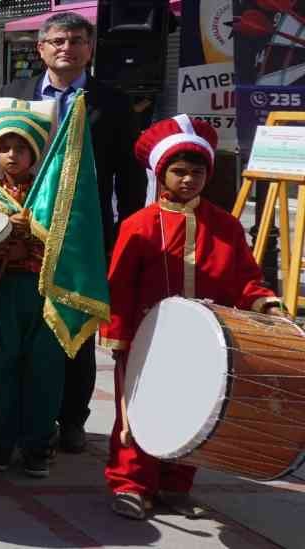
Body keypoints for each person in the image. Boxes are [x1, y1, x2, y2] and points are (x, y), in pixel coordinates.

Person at [100, 116, 289, 520]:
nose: (188, 180)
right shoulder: (138, 225)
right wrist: (117, 335)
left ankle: (175, 483)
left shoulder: (226, 226)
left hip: (208, 340)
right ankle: (132, 483)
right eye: (179, 171)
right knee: (138, 412)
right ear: (162, 173)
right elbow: (119, 285)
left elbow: (245, 279)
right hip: (147, 338)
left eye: (197, 172)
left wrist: (267, 305)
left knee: (193, 411)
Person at [1, 12, 146, 452]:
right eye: (58, 40)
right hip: (22, 230)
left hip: (83, 233)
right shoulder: (14, 95)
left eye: (78, 40)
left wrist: (123, 231)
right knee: (16, 325)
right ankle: (12, 416)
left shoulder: (114, 102)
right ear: (41, 48)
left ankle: (71, 419)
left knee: (75, 328)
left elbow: (130, 174)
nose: (67, 47)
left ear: (91, 48)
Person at [0, 99, 62, 477]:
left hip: (45, 294)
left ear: (35, 152)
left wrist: (35, 246)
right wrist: (0, 248)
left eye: (21, 147)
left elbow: (70, 244)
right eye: (5, 147)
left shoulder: (55, 197)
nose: (13, 155)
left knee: (44, 370)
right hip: (0, 292)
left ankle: (37, 446)